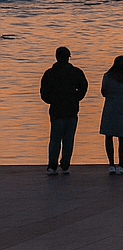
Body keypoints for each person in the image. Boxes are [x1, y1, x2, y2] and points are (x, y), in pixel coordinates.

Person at [39, 46, 88, 175]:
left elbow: (43, 92)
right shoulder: (76, 72)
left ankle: (52, 165)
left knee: (55, 138)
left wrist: (51, 100)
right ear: (68, 58)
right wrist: (76, 98)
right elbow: (83, 87)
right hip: (71, 110)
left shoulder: (50, 73)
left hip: (56, 110)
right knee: (69, 138)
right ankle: (65, 164)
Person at [99, 55, 123, 175]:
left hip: (110, 108)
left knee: (109, 136)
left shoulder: (107, 77)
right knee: (122, 138)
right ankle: (120, 165)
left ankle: (111, 164)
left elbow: (104, 92)